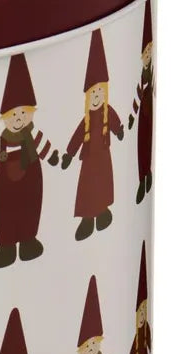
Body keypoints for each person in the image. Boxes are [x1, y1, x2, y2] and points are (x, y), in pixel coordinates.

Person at [0, 54, 58, 268]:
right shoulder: (2, 141)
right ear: (5, 118)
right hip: (5, 188)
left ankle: (28, 241)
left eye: (23, 113)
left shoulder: (33, 137)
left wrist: (54, 157)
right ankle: (6, 247)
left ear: (31, 114)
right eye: (13, 115)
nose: (18, 119)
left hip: (30, 182)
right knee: (4, 214)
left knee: (30, 209)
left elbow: (45, 148)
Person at [61, 29, 124, 241]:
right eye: (93, 93)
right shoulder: (86, 119)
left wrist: (119, 130)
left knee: (103, 183)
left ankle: (103, 211)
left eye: (100, 91)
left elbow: (115, 121)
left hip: (102, 156)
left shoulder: (107, 112)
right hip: (89, 160)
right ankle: (87, 219)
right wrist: (69, 154)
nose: (97, 96)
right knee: (88, 187)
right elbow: (78, 136)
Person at [128, 0, 155, 204]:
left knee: (146, 145)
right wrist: (130, 118)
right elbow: (136, 97)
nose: (147, 56)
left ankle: (146, 176)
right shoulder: (142, 79)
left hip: (147, 117)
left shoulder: (148, 74)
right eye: (145, 53)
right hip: (142, 118)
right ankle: (141, 178)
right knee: (140, 149)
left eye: (148, 52)